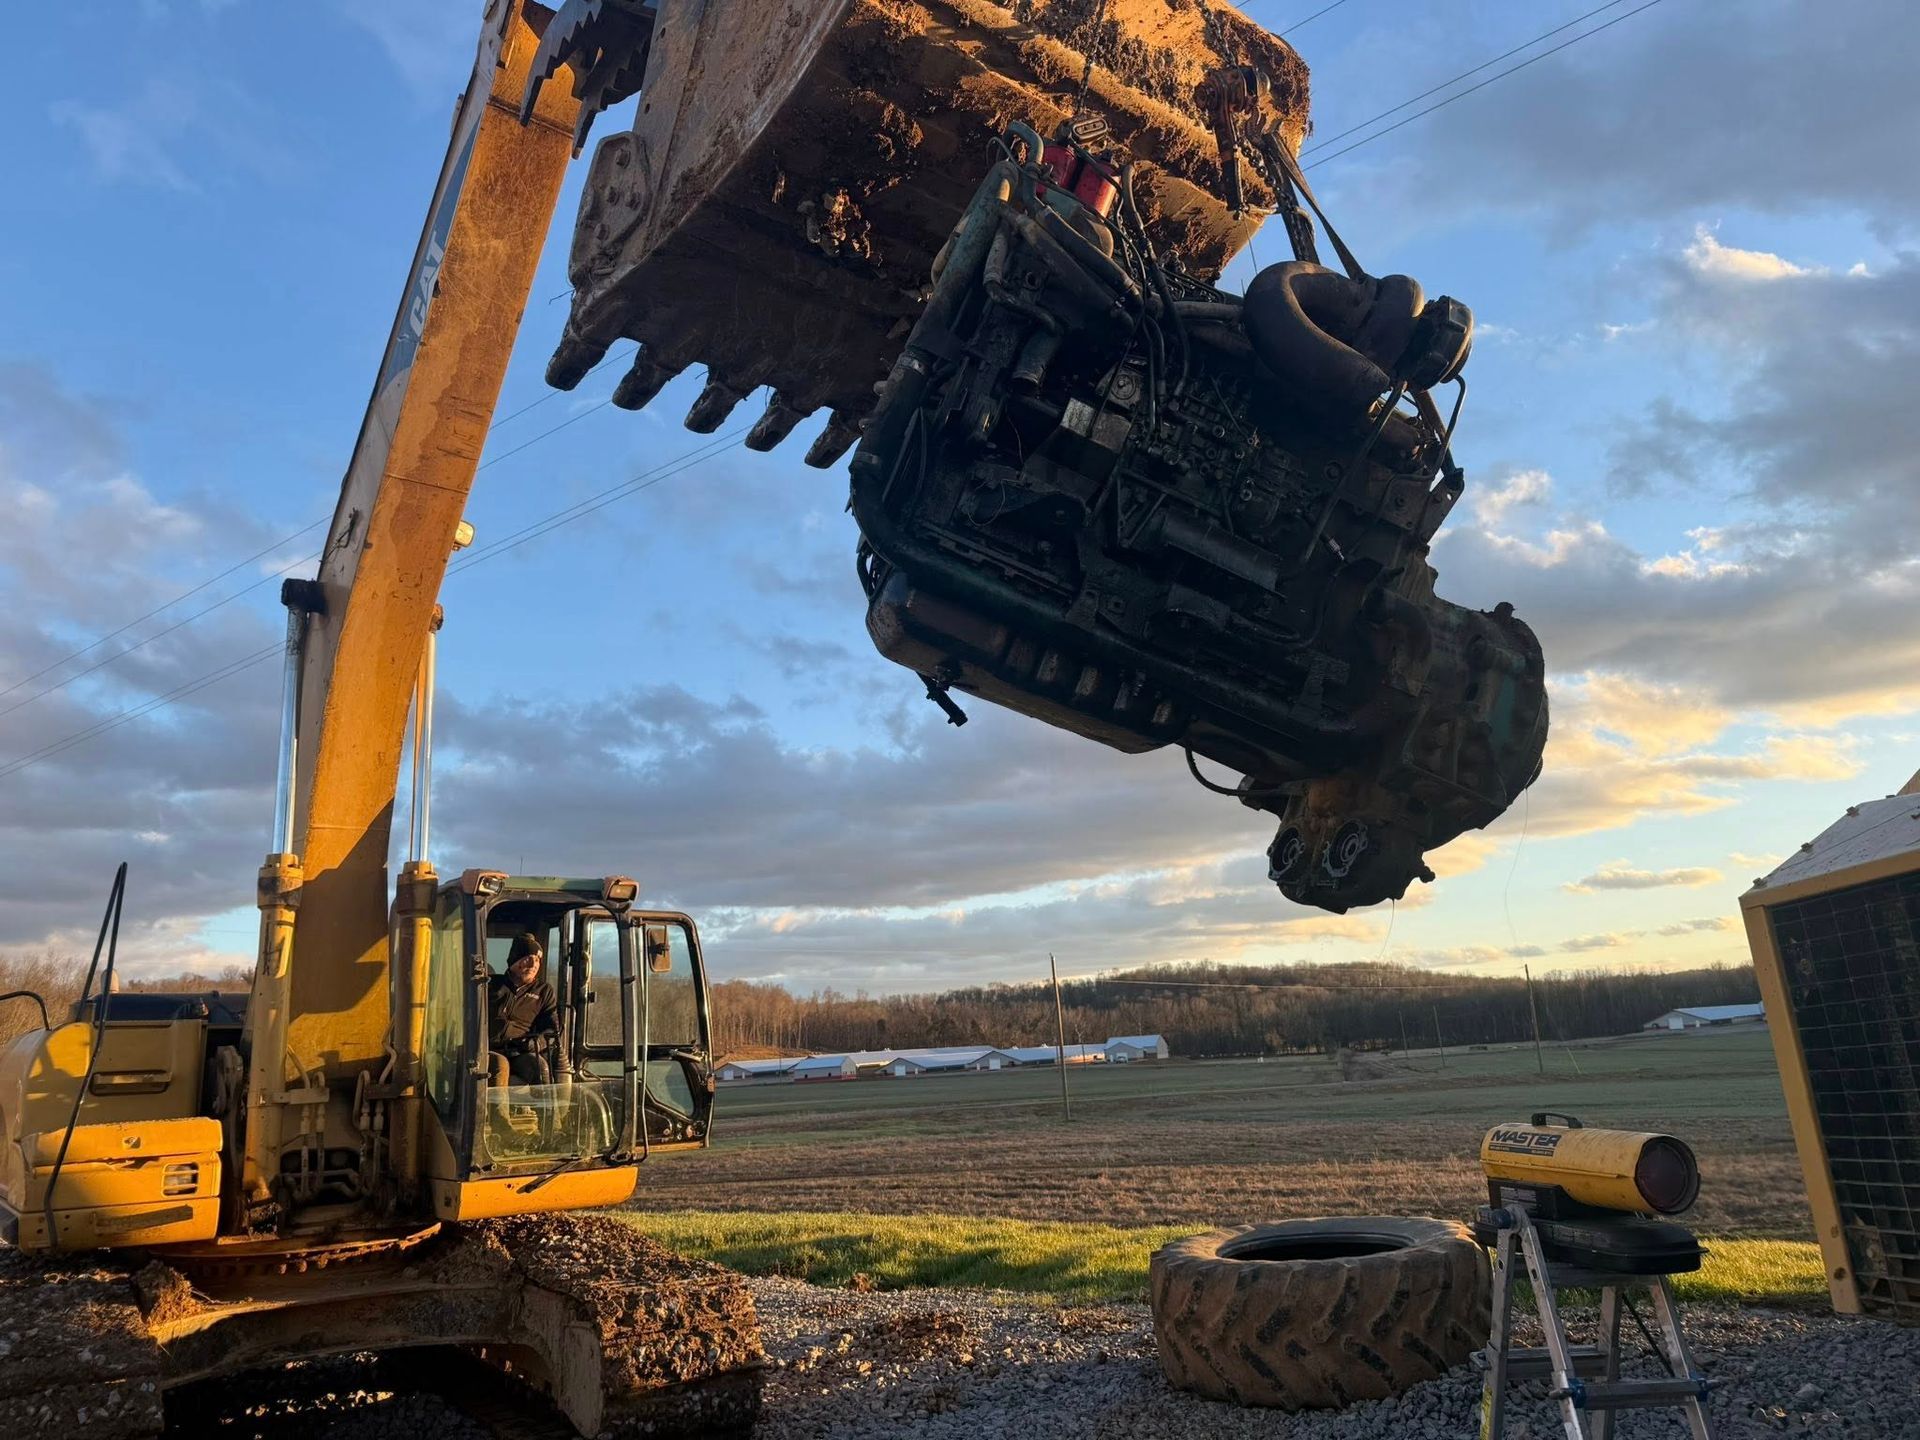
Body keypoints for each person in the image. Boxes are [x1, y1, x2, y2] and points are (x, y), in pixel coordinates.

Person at [487, 931, 557, 1089]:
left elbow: (552, 1029)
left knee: (540, 1067)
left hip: (521, 1052)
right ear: (515, 961)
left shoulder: (543, 991)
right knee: (500, 1065)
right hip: (489, 1050)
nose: (533, 965)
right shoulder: (490, 986)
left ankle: (550, 1113)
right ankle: (497, 1114)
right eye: (528, 959)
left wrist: (535, 1044)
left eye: (537, 960)